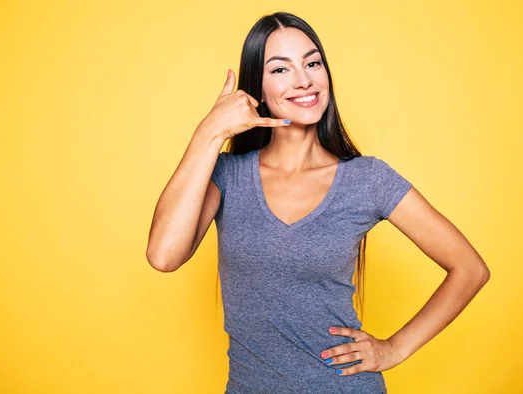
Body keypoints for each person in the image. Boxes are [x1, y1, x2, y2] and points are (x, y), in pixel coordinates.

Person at [146, 11, 491, 394]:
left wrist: (394, 348)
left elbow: (470, 268)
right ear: (256, 90)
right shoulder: (227, 175)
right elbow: (164, 256)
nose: (304, 79)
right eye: (280, 70)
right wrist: (209, 132)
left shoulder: (367, 179)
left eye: (313, 63)